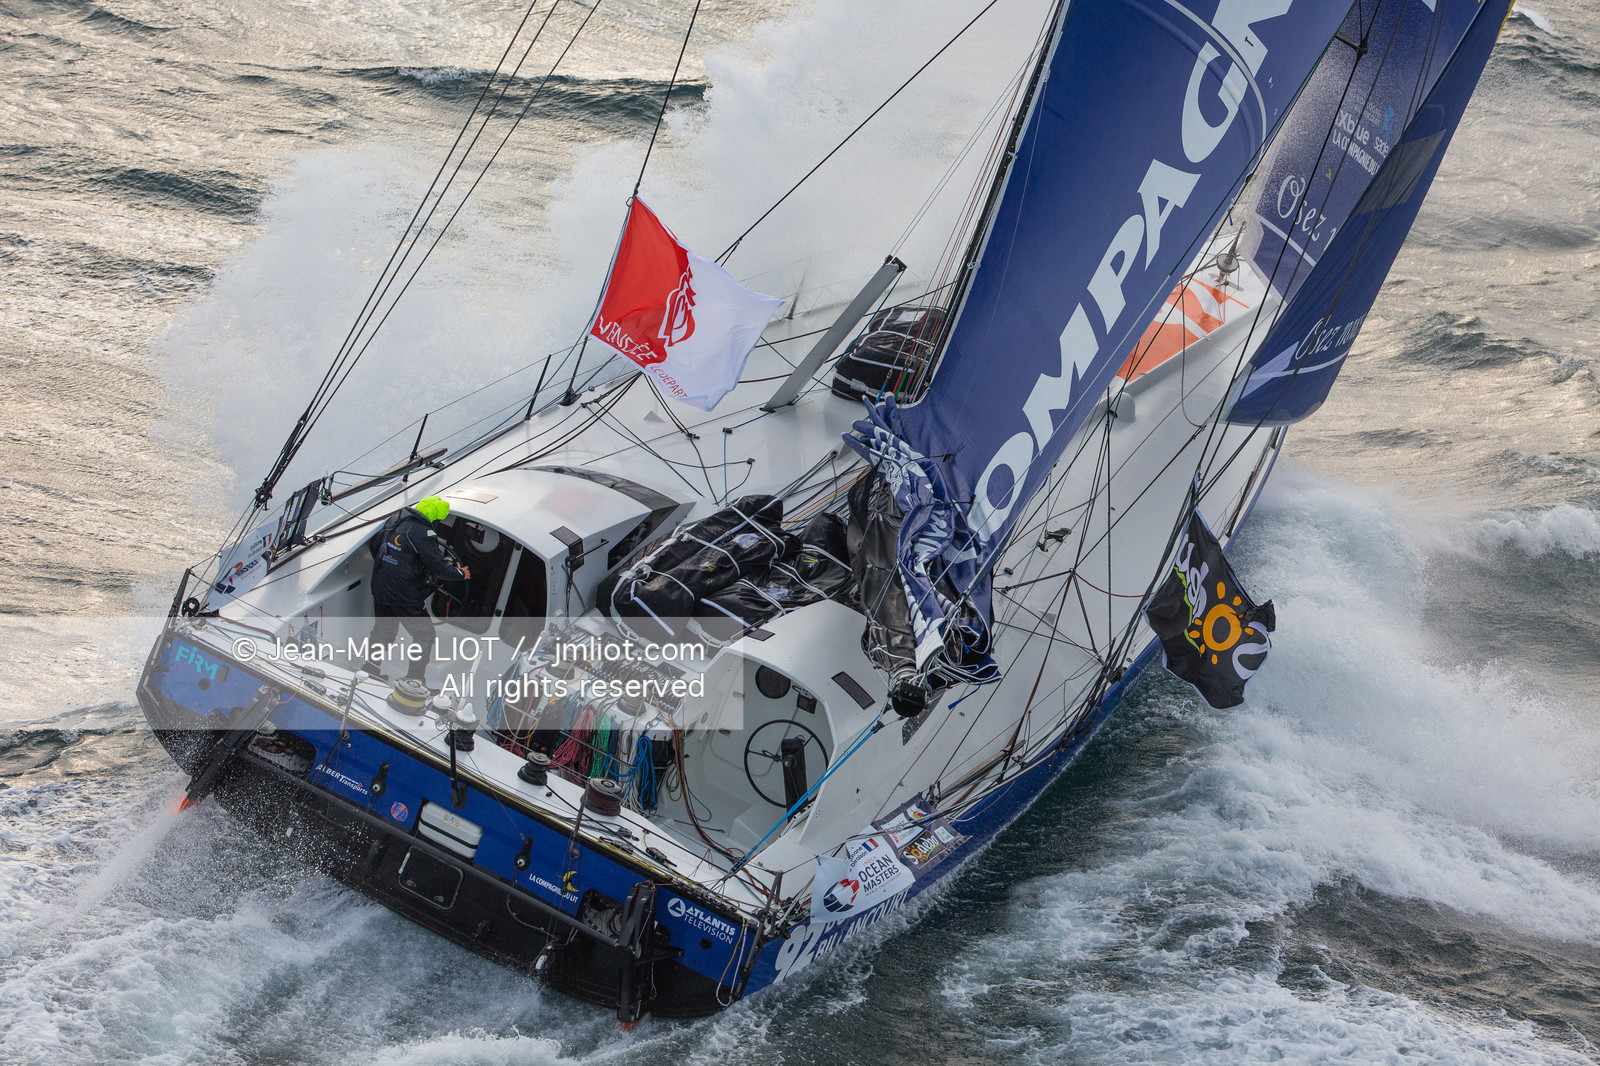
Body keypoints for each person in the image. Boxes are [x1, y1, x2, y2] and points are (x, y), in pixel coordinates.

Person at [364, 496, 470, 683]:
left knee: (383, 630)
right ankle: (414, 679)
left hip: (380, 586)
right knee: (424, 634)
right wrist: (461, 574)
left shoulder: (395, 520)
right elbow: (439, 567)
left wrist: (392, 568)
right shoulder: (424, 533)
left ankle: (370, 670)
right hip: (403, 595)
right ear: (435, 518)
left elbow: (375, 546)